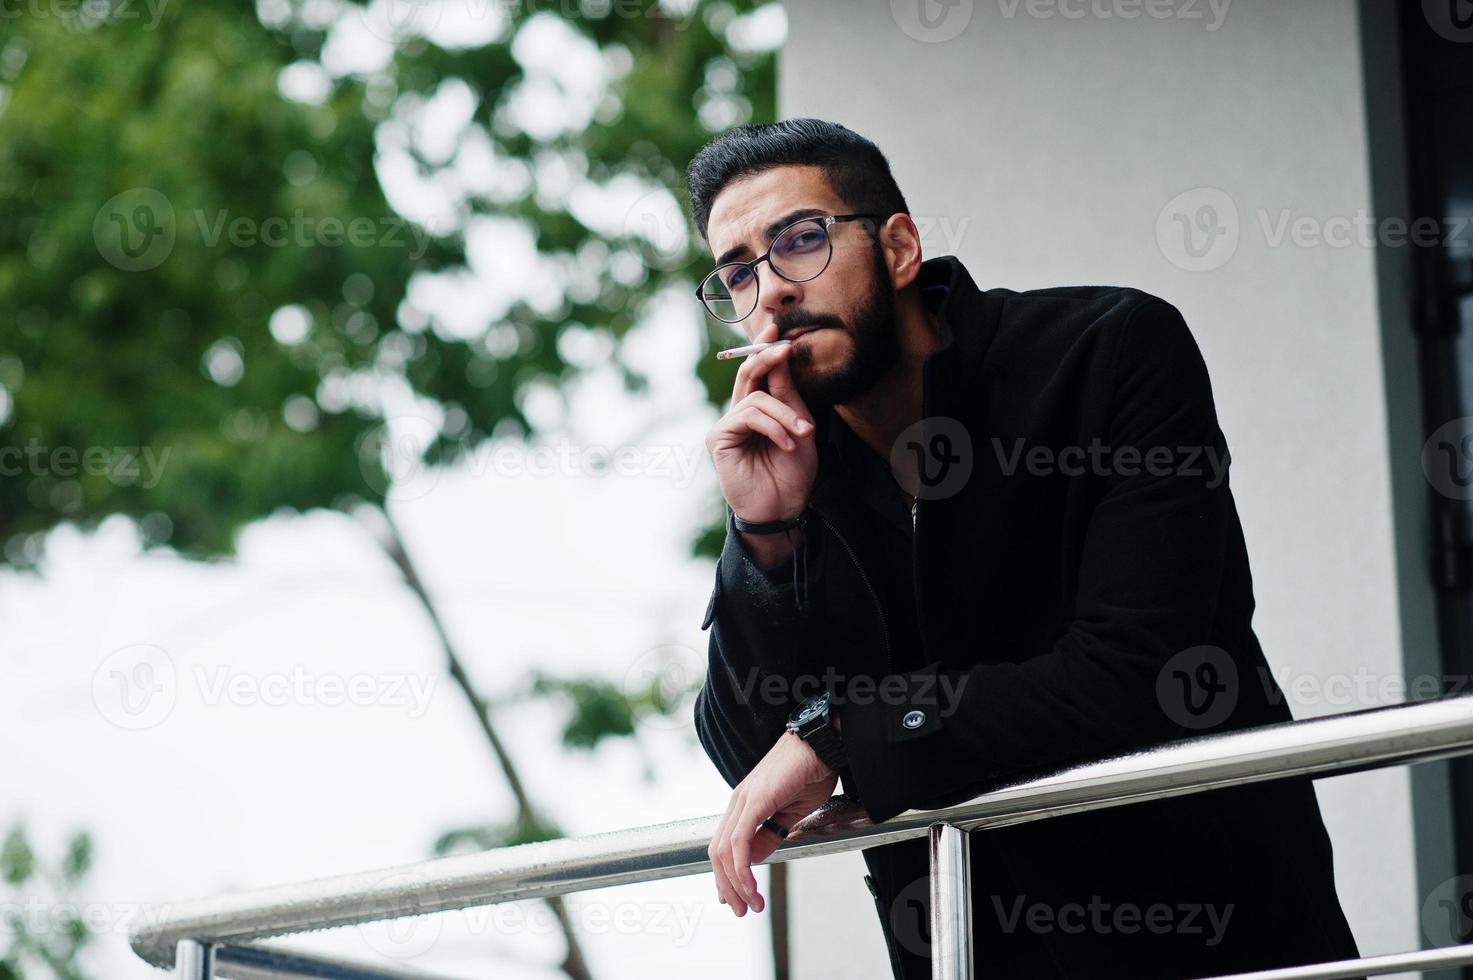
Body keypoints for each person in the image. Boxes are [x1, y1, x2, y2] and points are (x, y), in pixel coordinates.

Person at [689, 117, 1363, 979]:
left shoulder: (1108, 350)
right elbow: (753, 759)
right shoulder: (793, 463)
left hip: (1223, 935)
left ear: (897, 247)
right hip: (969, 952)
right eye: (737, 272)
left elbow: (1134, 673)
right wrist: (762, 535)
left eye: (800, 240)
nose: (770, 291)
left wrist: (845, 736)